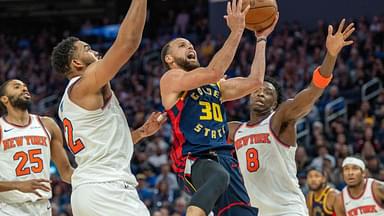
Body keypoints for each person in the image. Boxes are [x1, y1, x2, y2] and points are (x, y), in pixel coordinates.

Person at [160, 0, 278, 214]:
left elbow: (255, 82)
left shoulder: (215, 87)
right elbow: (213, 72)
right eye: (182, 45)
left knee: (241, 211)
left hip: (224, 157)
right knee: (217, 176)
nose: (190, 47)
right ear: (169, 58)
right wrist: (237, 30)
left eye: (191, 45)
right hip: (193, 158)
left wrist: (261, 38)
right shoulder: (171, 79)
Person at [228, 19, 355, 215]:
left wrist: (330, 55)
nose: (260, 93)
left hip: (288, 210)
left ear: (276, 102)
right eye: (257, 90)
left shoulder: (280, 118)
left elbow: (313, 92)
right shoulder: (235, 129)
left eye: (268, 92)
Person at [51, 0, 166, 215]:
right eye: (87, 49)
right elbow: (128, 43)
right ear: (77, 63)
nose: (95, 51)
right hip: (106, 190)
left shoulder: (78, 96)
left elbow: (103, 146)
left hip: (93, 190)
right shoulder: (83, 85)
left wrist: (141, 133)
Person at [0, 79, 74, 216]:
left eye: (25, 86)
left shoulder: (47, 125)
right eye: (17, 87)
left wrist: (93, 177)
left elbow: (66, 172)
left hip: (43, 208)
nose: (24, 89)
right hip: (9, 209)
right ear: (4, 99)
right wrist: (18, 185)